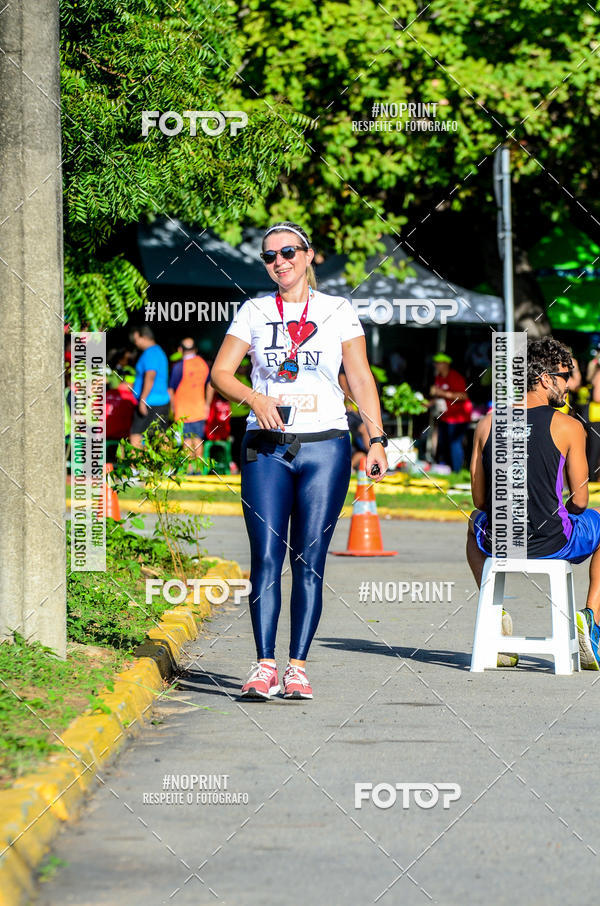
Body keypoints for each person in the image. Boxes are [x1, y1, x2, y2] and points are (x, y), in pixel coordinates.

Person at [210, 220, 388, 701]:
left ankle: (298, 668)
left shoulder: (337, 310)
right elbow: (221, 372)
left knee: (309, 560)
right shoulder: (253, 310)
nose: (279, 262)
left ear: (309, 256)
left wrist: (375, 438)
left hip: (325, 446)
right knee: (266, 557)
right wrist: (254, 397)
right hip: (266, 446)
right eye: (269, 256)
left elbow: (360, 378)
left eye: (288, 252)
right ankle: (264, 666)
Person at [467, 336, 600, 670]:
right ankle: (591, 619)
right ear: (544, 379)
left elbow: (480, 501)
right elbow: (580, 500)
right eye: (565, 376)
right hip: (552, 540)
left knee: (473, 524)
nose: (569, 384)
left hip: (500, 542)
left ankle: (495, 615)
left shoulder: (487, 423)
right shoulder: (569, 426)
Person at [168, 337, 213, 468]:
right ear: (196, 349)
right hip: (199, 408)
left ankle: (189, 471)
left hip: (183, 411)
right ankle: (198, 471)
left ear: (180, 350)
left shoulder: (178, 367)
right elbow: (210, 385)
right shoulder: (203, 364)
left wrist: (172, 407)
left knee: (187, 441)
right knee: (198, 440)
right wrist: (207, 404)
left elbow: (171, 390)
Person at [128, 326, 171, 448]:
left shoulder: (150, 353)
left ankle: (137, 461)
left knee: (136, 436)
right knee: (160, 437)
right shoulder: (158, 351)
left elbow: (150, 376)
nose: (135, 343)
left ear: (144, 336)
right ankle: (165, 461)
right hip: (160, 402)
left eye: (136, 339)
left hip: (150, 402)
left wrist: (143, 400)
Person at [429, 353, 472, 473]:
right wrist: (428, 403)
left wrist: (442, 393)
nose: (436, 365)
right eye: (435, 363)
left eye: (439, 363)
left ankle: (456, 471)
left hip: (459, 418)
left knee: (455, 443)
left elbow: (463, 396)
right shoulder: (438, 377)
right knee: (443, 443)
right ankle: (446, 468)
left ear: (446, 364)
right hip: (445, 416)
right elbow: (439, 396)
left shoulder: (455, 377)